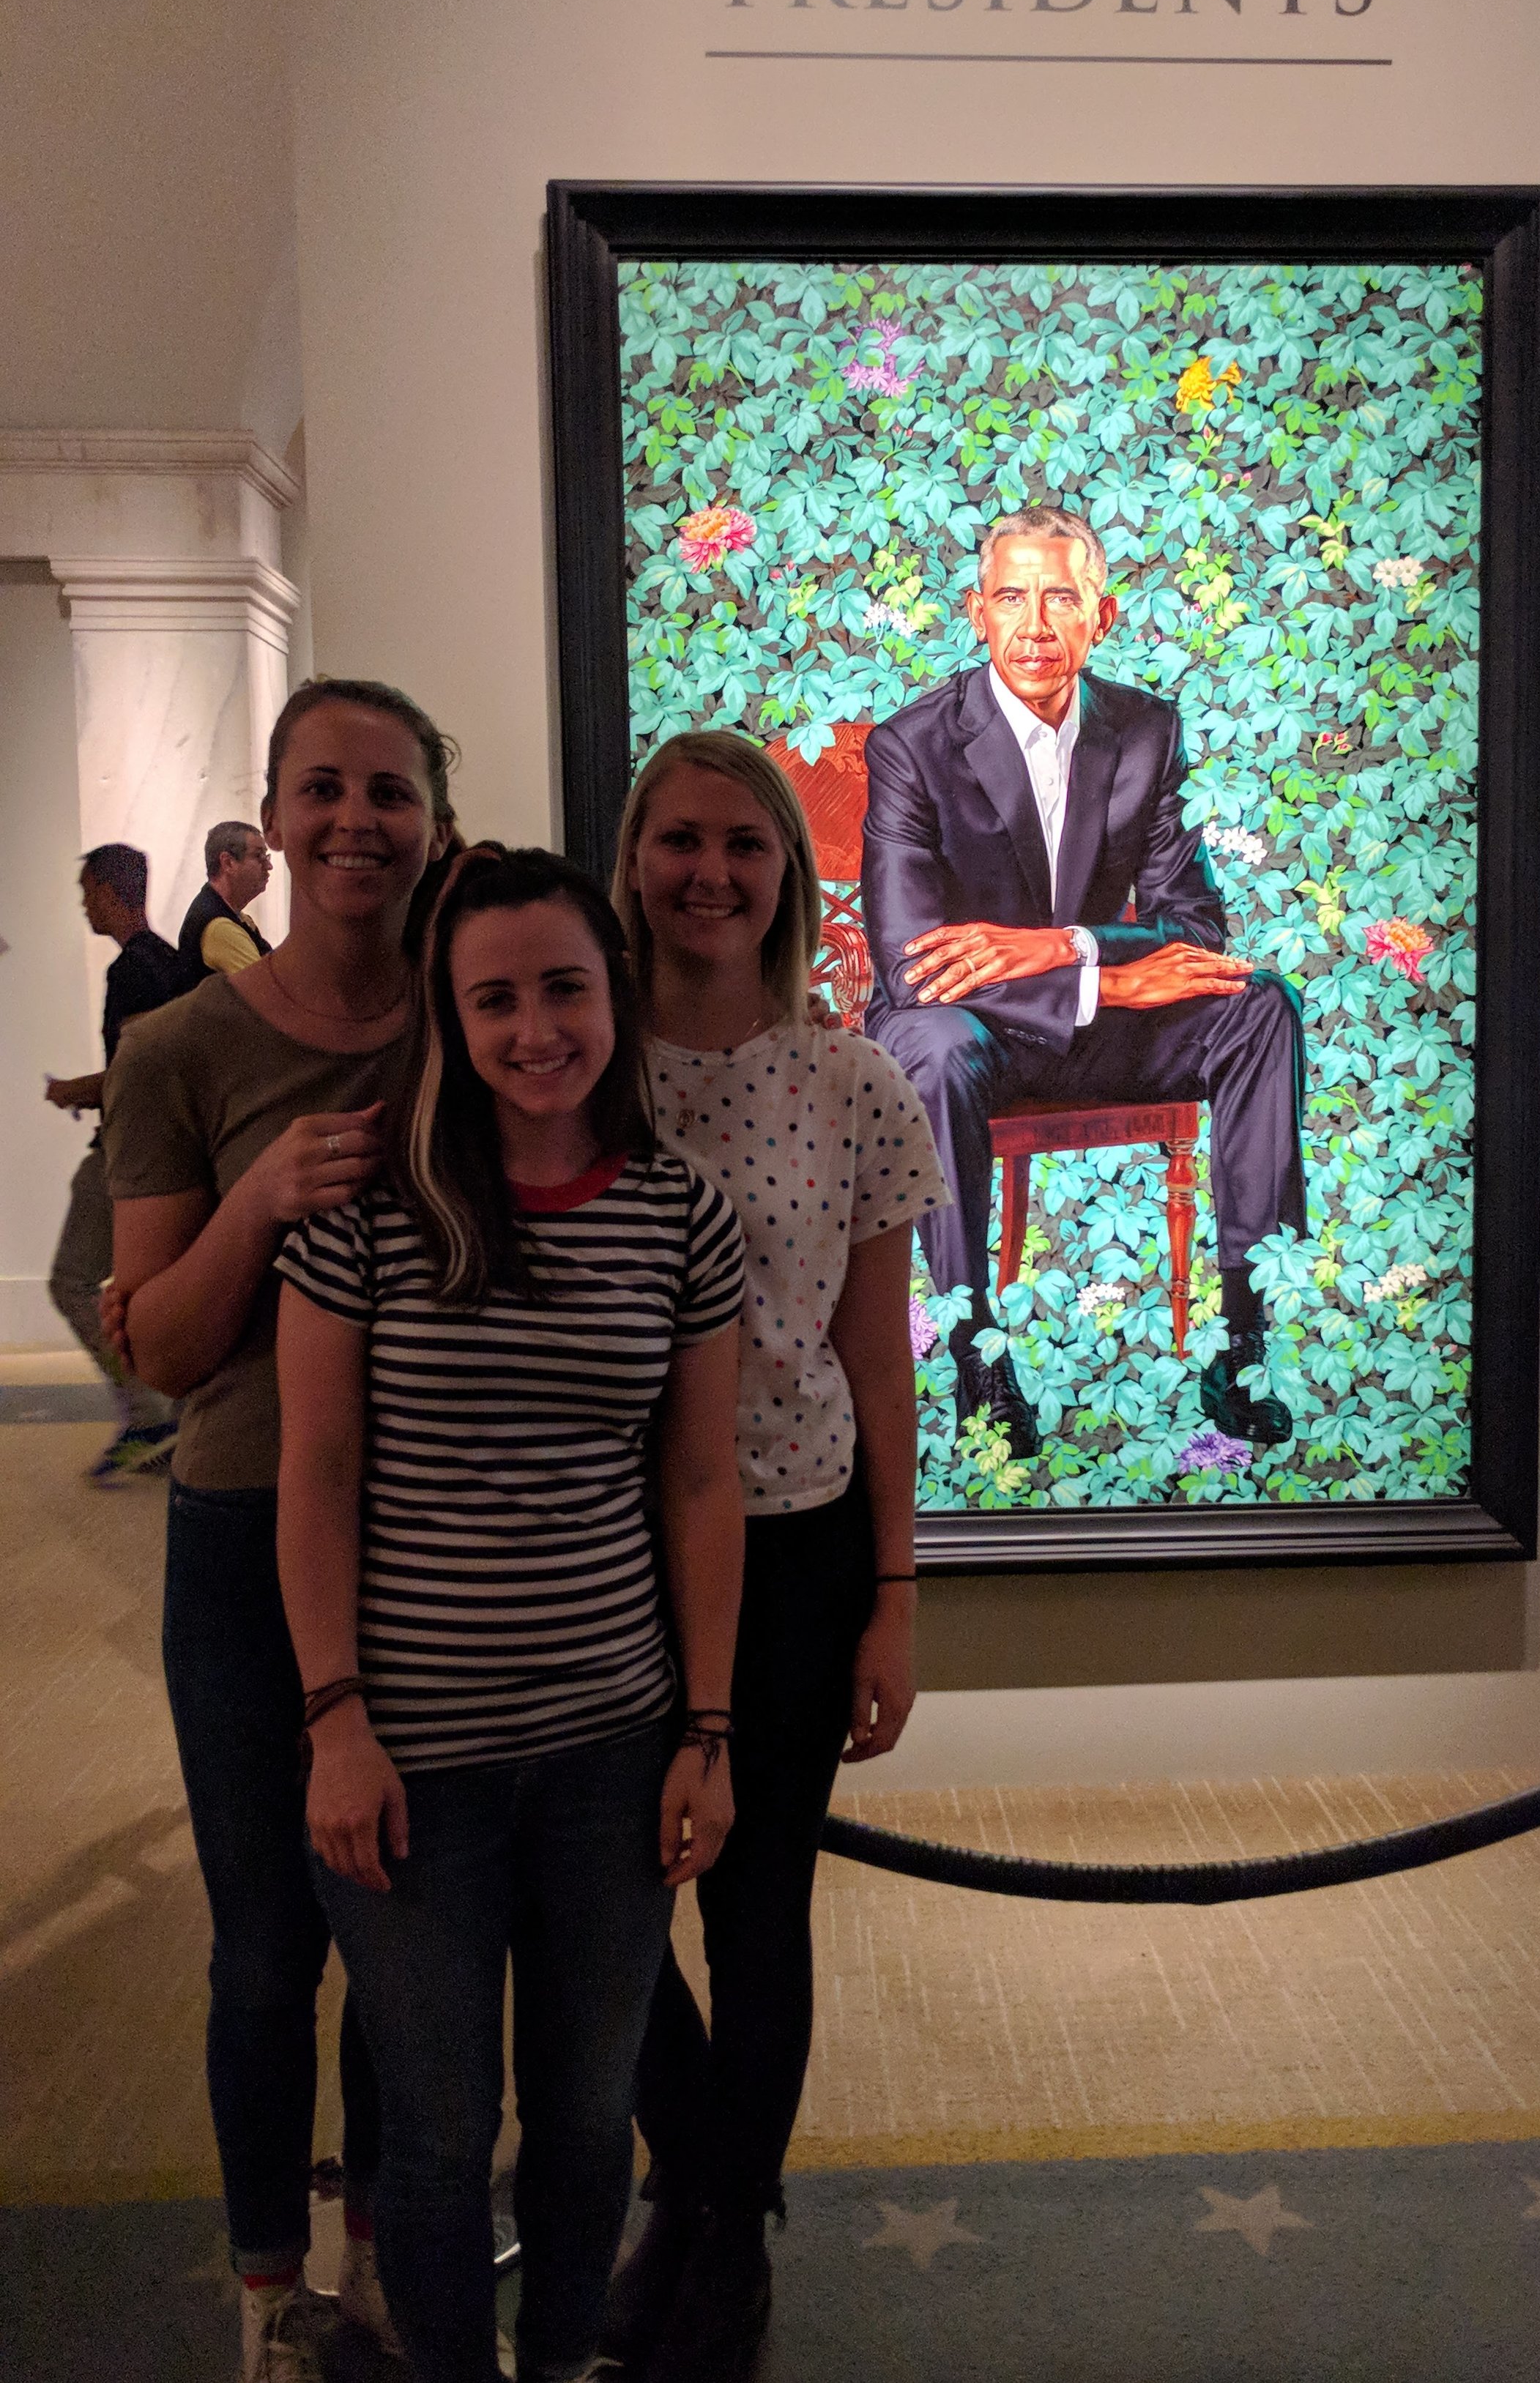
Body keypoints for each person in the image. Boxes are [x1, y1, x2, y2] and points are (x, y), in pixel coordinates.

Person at [275, 843, 748, 2383]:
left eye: (564, 986)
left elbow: (697, 1483)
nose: (536, 1027)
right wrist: (334, 1720)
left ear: (613, 991)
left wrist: (708, 1729)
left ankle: (551, 2367)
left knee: (590, 2111)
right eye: (496, 998)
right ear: (448, 1015)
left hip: (612, 1749)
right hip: (410, 1762)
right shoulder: (364, 1211)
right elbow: (319, 1473)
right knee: (432, 2126)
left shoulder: (682, 1212)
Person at [103, 679, 458, 2383]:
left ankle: (384, 2259)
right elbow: (157, 1349)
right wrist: (262, 1192)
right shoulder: (181, 1050)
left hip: (442, 1546)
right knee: (268, 1948)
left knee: (411, 1936)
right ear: (271, 813)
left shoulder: (476, 1016)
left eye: (388, 792)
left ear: (433, 822)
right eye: (321, 789)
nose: (355, 821)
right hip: (247, 1536)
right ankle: (267, 2296)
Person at [605, 729, 951, 2383]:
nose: (710, 873)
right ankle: (702, 2181)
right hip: (603, 1556)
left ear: (787, 875)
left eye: (743, 844)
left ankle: (723, 2236)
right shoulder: (578, 1066)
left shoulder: (858, 1080)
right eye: (678, 840)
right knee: (604, 1907)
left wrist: (894, 1593)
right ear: (634, 860)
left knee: (757, 1910)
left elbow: (880, 1357)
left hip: (803, 1544)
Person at [860, 503, 1306, 1457]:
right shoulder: (913, 745)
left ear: (1100, 619)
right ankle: (979, 1351)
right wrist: (1099, 979)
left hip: (1095, 1024)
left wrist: (1069, 950)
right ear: (977, 613)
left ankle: (1245, 1340)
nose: (1034, 624)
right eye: (1011, 598)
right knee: (930, 1045)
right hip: (967, 1035)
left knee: (1258, 1004)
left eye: (1060, 597)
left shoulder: (1145, 730)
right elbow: (911, 962)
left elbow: (1193, 929)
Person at [44, 842, 187, 1479]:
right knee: (147, 1288)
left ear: (108, 889)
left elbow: (136, 1073)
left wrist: (75, 1089)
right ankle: (168, 1416)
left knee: (71, 1281)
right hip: (164, 1154)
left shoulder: (130, 972)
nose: (83, 904)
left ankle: (149, 1415)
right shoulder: (169, 963)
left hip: (127, 1156)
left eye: (86, 892)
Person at [178, 819, 275, 986]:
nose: (269, 865)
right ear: (228, 863)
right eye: (258, 856)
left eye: (266, 856)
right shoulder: (219, 927)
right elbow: (268, 993)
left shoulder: (237, 918)